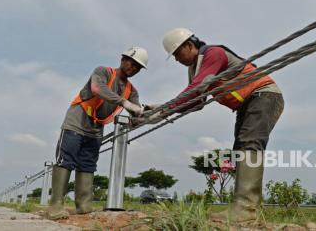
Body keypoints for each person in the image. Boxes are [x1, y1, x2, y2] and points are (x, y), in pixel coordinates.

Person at [162, 28, 284, 225]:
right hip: (248, 102)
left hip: (264, 94)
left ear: (189, 45)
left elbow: (198, 87)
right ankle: (244, 210)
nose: (176, 59)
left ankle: (245, 210)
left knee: (249, 144)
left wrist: (166, 108)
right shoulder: (194, 68)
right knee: (240, 151)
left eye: (177, 53)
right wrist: (162, 109)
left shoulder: (213, 53)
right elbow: (196, 102)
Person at [47, 47, 148, 220]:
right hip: (76, 122)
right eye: (132, 62)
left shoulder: (132, 91)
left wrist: (147, 111)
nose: (134, 68)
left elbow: (136, 115)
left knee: (88, 163)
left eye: (138, 67)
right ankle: (55, 206)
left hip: (95, 129)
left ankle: (83, 205)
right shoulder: (103, 72)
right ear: (123, 59)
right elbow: (97, 89)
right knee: (66, 160)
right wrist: (125, 103)